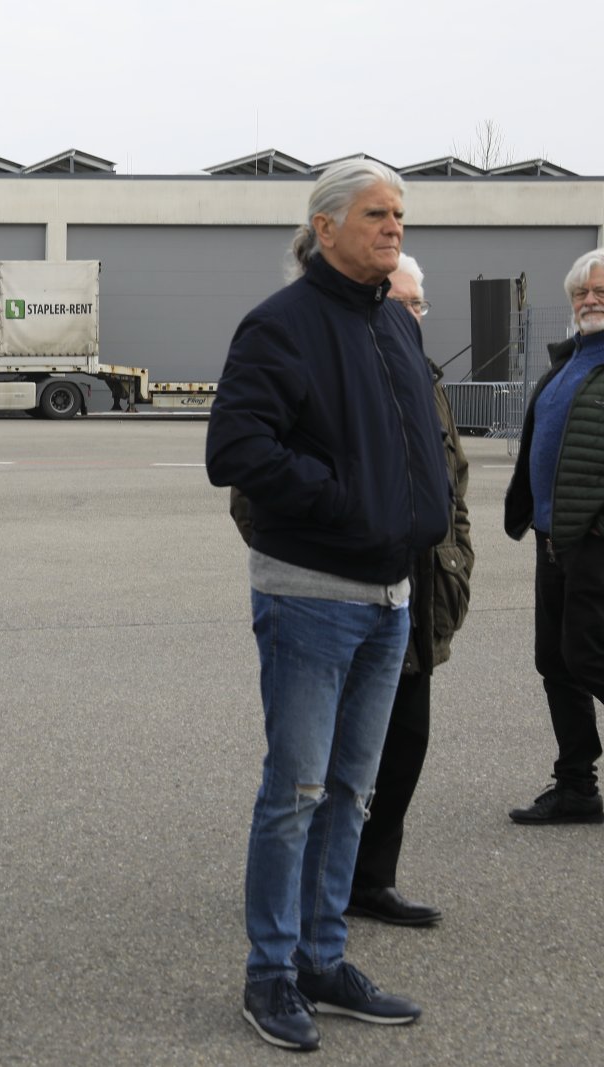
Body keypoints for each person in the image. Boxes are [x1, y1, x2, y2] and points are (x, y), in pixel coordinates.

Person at [205, 159, 450, 1053]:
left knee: (350, 791)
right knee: (297, 790)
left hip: (391, 594)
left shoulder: (393, 323)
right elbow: (236, 449)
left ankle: (322, 958)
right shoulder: (280, 325)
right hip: (310, 593)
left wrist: (411, 522)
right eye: (377, 213)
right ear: (326, 225)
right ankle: (270, 973)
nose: (394, 227)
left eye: (399, 214)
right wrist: (348, 502)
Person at [227, 254, 474, 929]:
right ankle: (294, 917)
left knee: (398, 751)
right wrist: (332, 535)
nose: (412, 315)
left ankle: (368, 881)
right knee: (312, 771)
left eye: (419, 304)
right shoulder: (308, 351)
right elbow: (250, 483)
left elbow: (452, 484)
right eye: (402, 302)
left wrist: (456, 561)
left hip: (415, 594)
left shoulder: (423, 375)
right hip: (331, 591)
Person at [504, 247, 604, 825]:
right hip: (553, 541)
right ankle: (576, 788)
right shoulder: (568, 362)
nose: (589, 300)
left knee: (588, 657)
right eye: (581, 292)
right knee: (556, 662)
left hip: (594, 541)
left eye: (601, 292)